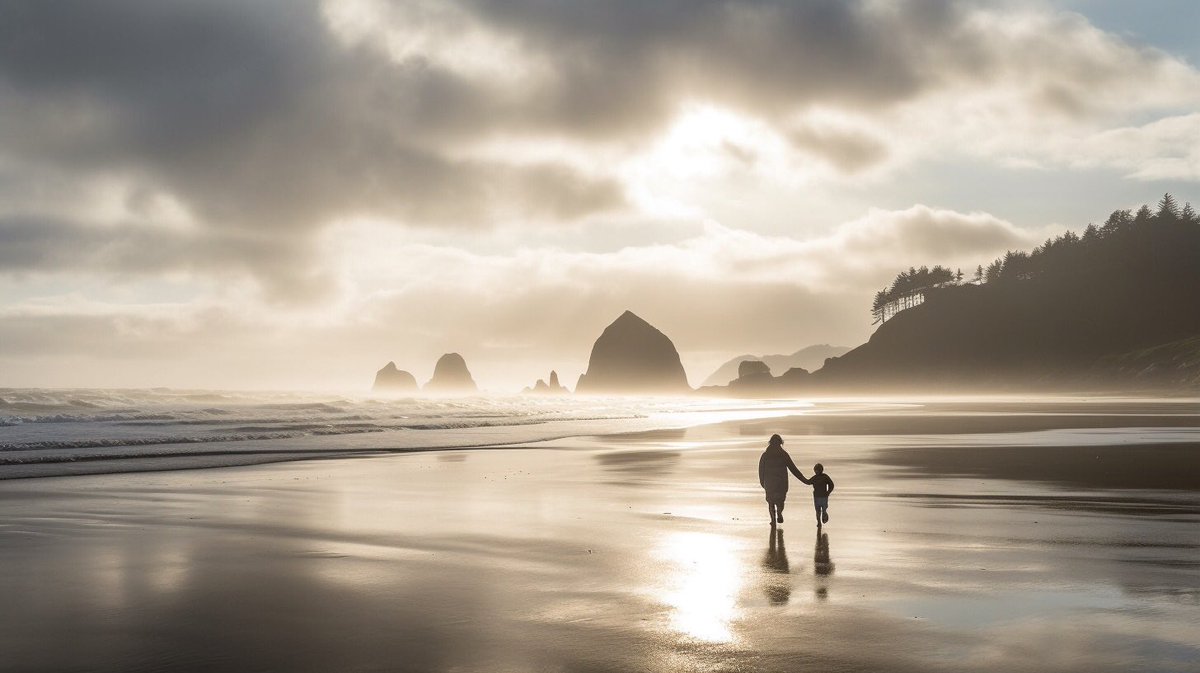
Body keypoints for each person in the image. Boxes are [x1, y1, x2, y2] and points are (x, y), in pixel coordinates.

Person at [757, 434, 805, 525]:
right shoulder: (783, 455)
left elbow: (760, 470)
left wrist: (762, 482)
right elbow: (793, 468)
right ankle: (779, 512)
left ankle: (773, 521)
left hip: (769, 483)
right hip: (781, 484)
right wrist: (804, 479)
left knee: (771, 503)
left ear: (770, 443)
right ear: (780, 443)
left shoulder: (765, 455)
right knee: (780, 501)